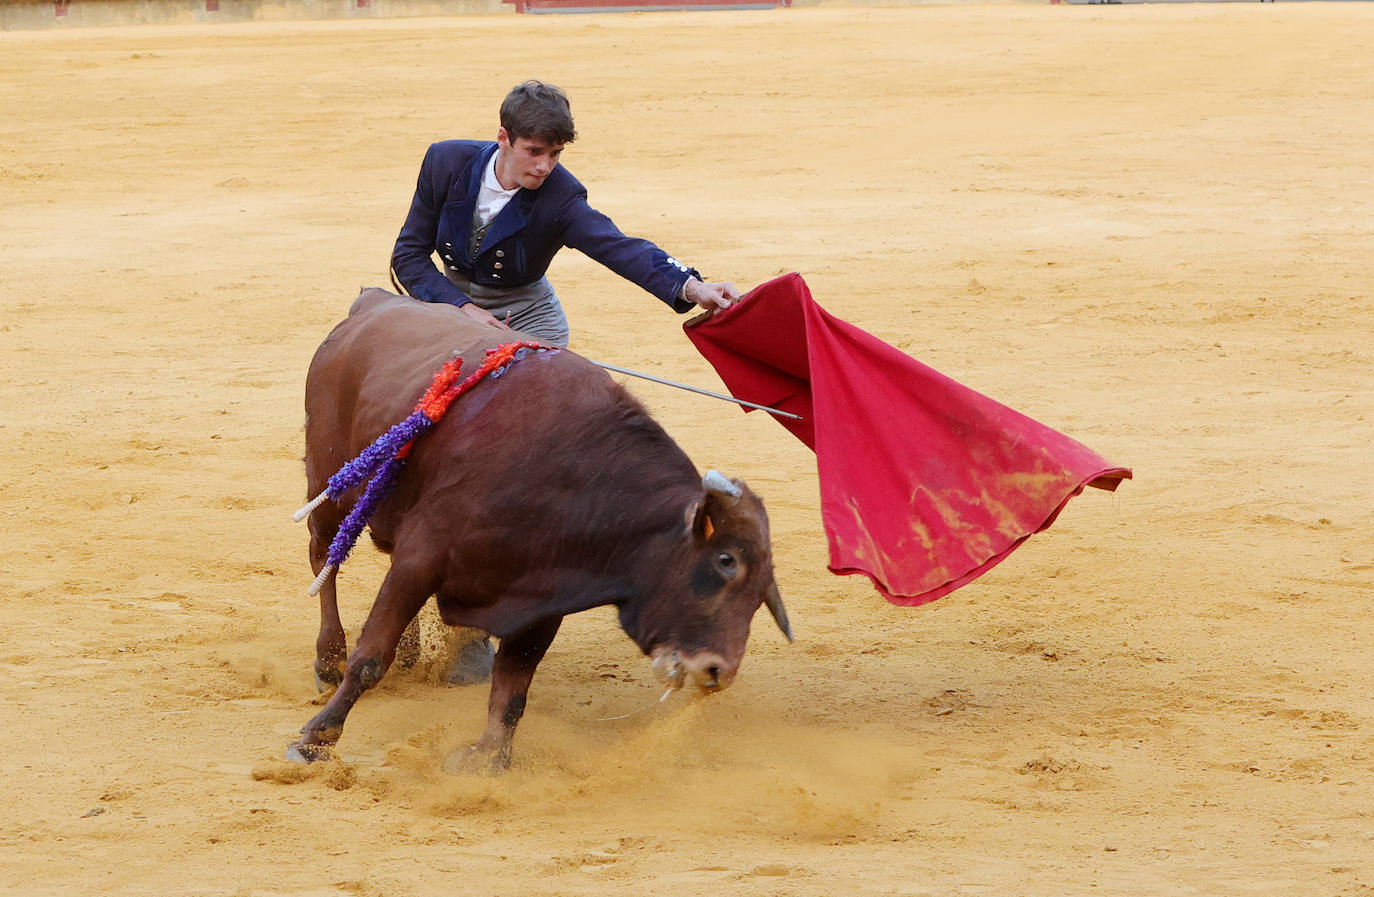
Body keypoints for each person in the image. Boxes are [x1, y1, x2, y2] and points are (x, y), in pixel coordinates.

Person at [390, 79, 740, 348]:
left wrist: (693, 288)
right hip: (448, 309)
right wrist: (461, 307)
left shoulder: (561, 197)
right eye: (534, 151)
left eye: (555, 153)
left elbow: (618, 247)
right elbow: (408, 255)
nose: (544, 166)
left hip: (529, 318)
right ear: (503, 137)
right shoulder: (446, 162)